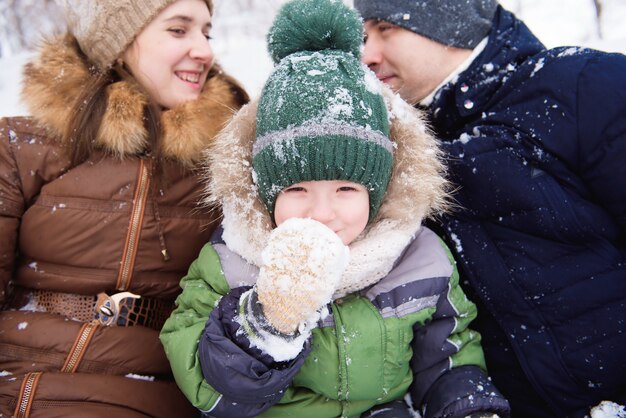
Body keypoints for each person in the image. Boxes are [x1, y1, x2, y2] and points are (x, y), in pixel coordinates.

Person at [160, 1, 511, 417]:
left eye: (346, 187)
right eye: (296, 189)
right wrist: (267, 318)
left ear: (378, 191)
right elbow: (211, 393)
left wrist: (467, 406)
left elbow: (447, 355)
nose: (322, 213)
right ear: (265, 191)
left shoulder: (419, 258)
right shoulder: (231, 263)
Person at [354, 0, 626, 417]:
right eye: (363, 36)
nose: (367, 54)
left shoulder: (582, 87)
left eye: (385, 28)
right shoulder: (393, 150)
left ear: (450, 20)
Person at [0, 0, 248, 416]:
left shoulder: (227, 164)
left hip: (155, 394)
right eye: (178, 29)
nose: (205, 51)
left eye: (206, 32)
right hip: (20, 385)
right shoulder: (21, 149)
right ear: (117, 42)